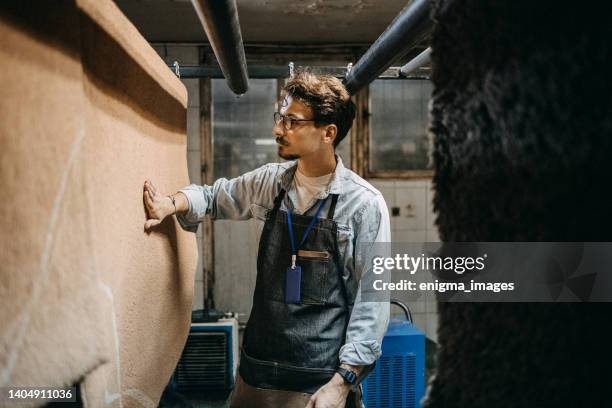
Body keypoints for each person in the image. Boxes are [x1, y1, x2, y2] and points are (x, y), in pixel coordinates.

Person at [143, 71, 390, 408]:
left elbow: (371, 302)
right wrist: (172, 203)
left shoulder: (363, 204)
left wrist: (342, 382)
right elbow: (215, 196)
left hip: (317, 382)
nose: (278, 130)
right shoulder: (270, 183)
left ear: (328, 132)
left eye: (292, 121)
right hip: (256, 374)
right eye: (280, 118)